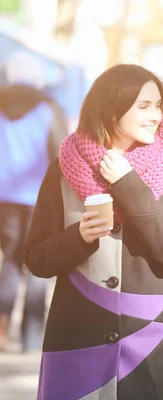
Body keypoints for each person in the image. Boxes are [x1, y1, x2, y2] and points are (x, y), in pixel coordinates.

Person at [24, 64, 163, 399]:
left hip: (154, 336)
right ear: (111, 109)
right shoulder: (61, 172)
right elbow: (37, 260)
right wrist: (80, 238)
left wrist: (127, 183)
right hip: (78, 337)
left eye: (158, 105)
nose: (156, 116)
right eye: (143, 106)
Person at [0, 51, 68, 352]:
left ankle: (1, 329)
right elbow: (61, 153)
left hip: (5, 198)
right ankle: (30, 336)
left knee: (11, 259)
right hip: (41, 196)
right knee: (39, 260)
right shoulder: (48, 108)